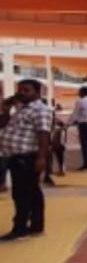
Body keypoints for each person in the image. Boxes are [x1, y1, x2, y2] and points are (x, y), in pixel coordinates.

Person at [0, 79, 52, 241]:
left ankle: (20, 229)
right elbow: (3, 125)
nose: (21, 93)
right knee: (32, 191)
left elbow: (43, 134)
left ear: (37, 92)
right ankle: (36, 226)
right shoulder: (21, 109)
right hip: (15, 156)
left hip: (27, 157)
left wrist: (41, 157)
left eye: (26, 90)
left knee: (21, 194)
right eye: (20, 90)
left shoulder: (40, 110)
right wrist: (5, 111)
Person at [43, 106, 67, 186]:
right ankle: (49, 173)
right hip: (48, 142)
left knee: (58, 150)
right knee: (49, 155)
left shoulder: (56, 122)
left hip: (54, 142)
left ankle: (59, 169)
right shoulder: (45, 120)